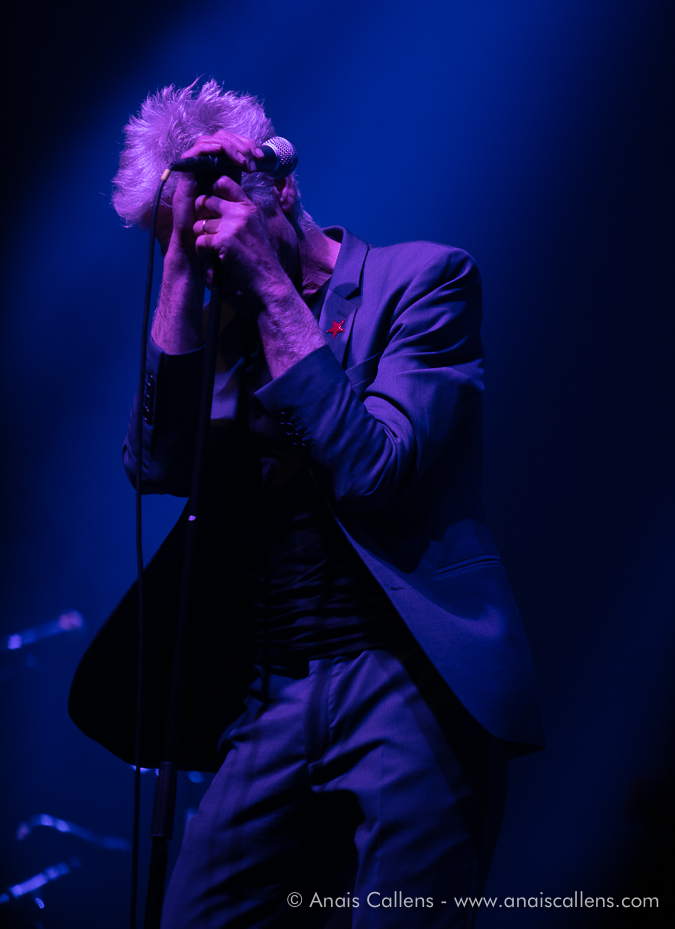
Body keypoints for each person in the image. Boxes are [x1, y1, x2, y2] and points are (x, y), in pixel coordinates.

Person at [110, 80, 544, 926]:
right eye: (183, 238)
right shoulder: (219, 327)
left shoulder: (421, 281)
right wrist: (178, 274)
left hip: (405, 678)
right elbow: (155, 465)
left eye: (208, 228)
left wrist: (269, 286)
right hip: (272, 692)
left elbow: (372, 469)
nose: (207, 254)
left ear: (279, 189)